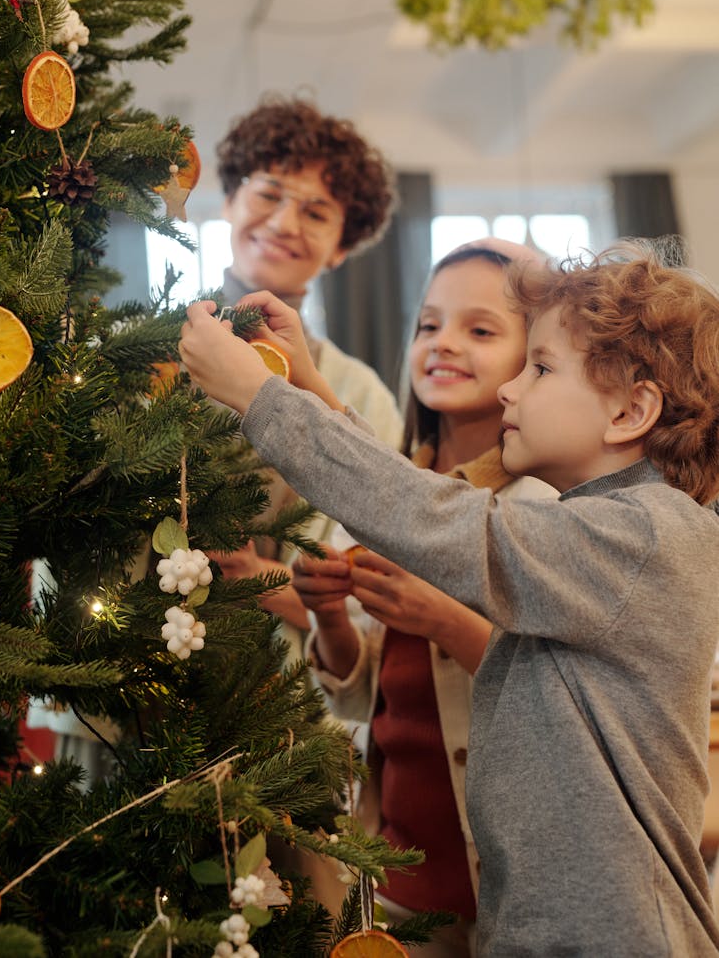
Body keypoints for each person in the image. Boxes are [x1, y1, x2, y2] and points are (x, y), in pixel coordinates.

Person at [179, 241, 719, 956]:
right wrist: (308, 383)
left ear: (630, 410)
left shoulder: (646, 535)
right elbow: (430, 504)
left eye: (541, 366)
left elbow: (437, 520)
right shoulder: (609, 530)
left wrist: (263, 397)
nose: (509, 391)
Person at [289, 240, 555, 956]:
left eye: (480, 329)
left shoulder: (537, 506)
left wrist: (436, 614)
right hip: (399, 874)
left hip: (504, 886)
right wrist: (325, 612)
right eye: (428, 325)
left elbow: (557, 695)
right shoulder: (388, 494)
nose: (444, 344)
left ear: (534, 360)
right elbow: (365, 695)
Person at [210, 94, 403, 638]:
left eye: (316, 213)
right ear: (229, 200)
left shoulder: (359, 395)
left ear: (341, 246)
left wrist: (256, 576)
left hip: (287, 696)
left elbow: (367, 585)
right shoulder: (142, 351)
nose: (284, 222)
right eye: (269, 193)